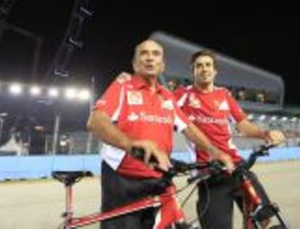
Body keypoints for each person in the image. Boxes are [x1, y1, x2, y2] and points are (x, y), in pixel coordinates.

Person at [87, 40, 233, 229]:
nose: (150, 57)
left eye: (156, 54)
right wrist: (132, 144)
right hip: (123, 180)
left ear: (162, 65)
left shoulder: (167, 95)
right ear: (134, 63)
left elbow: (188, 126)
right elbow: (96, 121)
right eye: (144, 53)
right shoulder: (122, 87)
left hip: (159, 177)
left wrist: (215, 151)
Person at [173, 50, 286, 229]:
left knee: (264, 218)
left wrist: (266, 134)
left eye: (208, 65)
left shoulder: (224, 94)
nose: (204, 69)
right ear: (192, 71)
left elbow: (243, 124)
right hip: (210, 174)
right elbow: (158, 103)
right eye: (199, 66)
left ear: (215, 71)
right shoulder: (182, 95)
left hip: (237, 168)